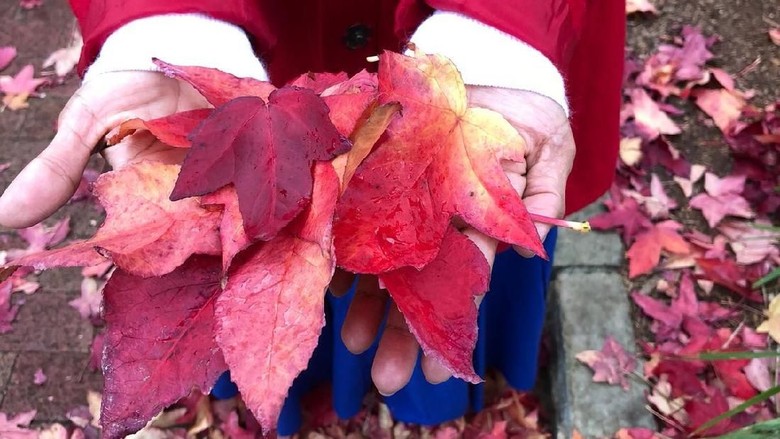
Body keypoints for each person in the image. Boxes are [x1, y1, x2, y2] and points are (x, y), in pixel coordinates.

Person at [0, 0, 624, 435]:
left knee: (431, 274)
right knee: (266, 276)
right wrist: (174, 24)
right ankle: (289, 403)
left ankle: (412, 402)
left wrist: (499, 35)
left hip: (477, 54)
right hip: (268, 52)